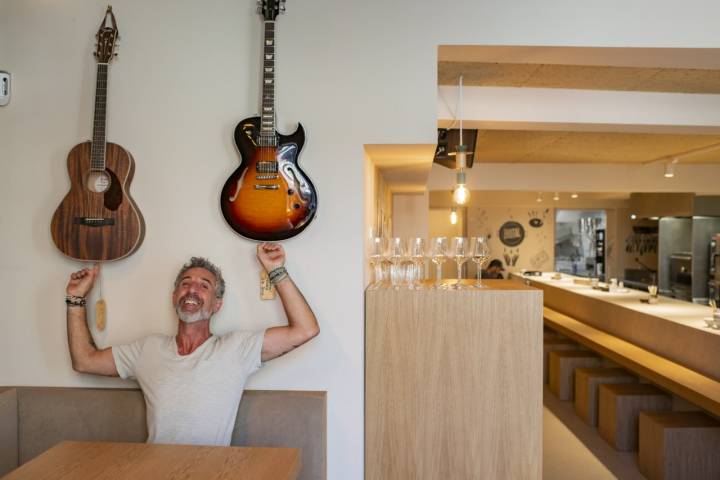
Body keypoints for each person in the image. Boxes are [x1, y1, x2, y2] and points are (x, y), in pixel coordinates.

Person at [65, 242, 319, 446]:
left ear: (217, 304)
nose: (192, 290)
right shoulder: (147, 349)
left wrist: (276, 270)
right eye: (185, 284)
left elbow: (305, 330)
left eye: (204, 286)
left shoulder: (237, 348)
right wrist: (75, 299)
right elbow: (84, 361)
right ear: (174, 297)